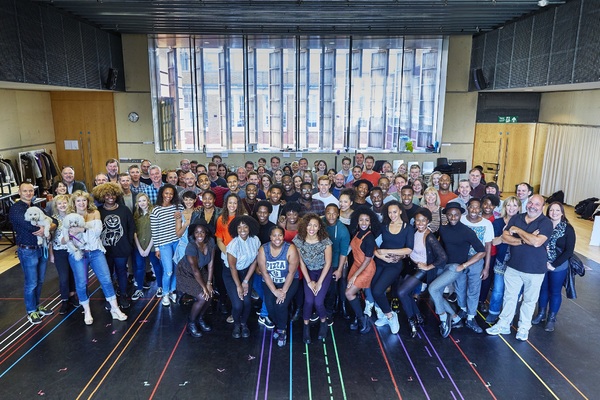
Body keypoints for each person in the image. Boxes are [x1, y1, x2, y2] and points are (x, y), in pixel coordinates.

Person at [486, 195, 552, 341]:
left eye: (537, 204)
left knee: (529, 301)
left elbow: (536, 242)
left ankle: (523, 328)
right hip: (513, 267)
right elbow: (505, 237)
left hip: (535, 270)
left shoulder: (546, 223)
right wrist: (524, 240)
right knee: (509, 297)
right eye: (530, 203)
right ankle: (503, 324)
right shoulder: (517, 218)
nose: (532, 206)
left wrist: (517, 230)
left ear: (542, 207)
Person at [66, 190, 128, 325]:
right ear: (74, 203)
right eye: (78, 201)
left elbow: (97, 232)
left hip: (95, 251)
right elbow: (65, 237)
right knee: (81, 284)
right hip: (79, 253)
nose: (82, 203)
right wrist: (70, 236)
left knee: (106, 280)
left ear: (88, 201)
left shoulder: (95, 213)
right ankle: (87, 310)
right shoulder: (69, 216)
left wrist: (81, 229)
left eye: (84, 200)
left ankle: (115, 309)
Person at [427, 202, 485, 338]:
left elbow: (481, 251)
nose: (453, 217)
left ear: (460, 215)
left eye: (456, 214)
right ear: (446, 215)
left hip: (455, 268)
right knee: (437, 294)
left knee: (432, 289)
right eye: (450, 214)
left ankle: (443, 319)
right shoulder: (443, 229)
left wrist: (464, 265)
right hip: (443, 266)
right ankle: (455, 318)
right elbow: (438, 247)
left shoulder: (467, 231)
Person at [9, 183, 55, 324]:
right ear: (19, 192)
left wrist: (49, 227)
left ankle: (36, 306)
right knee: (31, 282)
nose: (28, 193)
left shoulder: (35, 206)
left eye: (30, 190)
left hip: (41, 248)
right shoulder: (16, 209)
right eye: (25, 191)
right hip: (28, 250)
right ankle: (31, 311)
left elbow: (54, 222)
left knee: (40, 280)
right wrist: (45, 228)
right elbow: (28, 226)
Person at [397, 208, 447, 337]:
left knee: (402, 292)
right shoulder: (414, 232)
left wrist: (428, 266)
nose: (420, 223)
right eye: (417, 220)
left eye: (423, 221)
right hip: (411, 266)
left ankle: (412, 320)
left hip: (421, 270)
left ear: (428, 221)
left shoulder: (429, 237)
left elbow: (442, 257)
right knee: (405, 293)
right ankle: (419, 316)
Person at [531, 202, 576, 332]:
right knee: (543, 289)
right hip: (542, 263)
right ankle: (541, 314)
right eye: (551, 210)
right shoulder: (544, 225)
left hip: (558, 265)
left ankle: (551, 318)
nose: (554, 213)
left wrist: (553, 265)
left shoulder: (568, 228)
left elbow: (569, 251)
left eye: (557, 210)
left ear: (562, 212)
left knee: (555, 291)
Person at [371, 201, 413, 334]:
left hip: (394, 264)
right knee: (374, 289)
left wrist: (389, 252)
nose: (392, 215)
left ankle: (391, 316)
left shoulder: (407, 228)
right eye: (389, 212)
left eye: (394, 212)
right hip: (381, 261)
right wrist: (380, 254)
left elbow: (409, 249)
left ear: (400, 211)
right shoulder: (384, 225)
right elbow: (375, 244)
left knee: (378, 291)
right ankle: (384, 314)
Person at [93, 182, 135, 309]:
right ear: (102, 196)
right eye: (107, 195)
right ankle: (110, 297)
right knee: (108, 274)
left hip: (122, 248)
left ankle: (123, 295)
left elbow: (131, 227)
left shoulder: (124, 210)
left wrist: (129, 244)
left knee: (122, 272)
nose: (110, 197)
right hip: (105, 250)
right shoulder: (98, 212)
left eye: (113, 195)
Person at [257, 226, 300, 347]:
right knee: (270, 306)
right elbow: (264, 273)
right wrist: (275, 290)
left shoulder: (290, 248)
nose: (277, 238)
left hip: (289, 281)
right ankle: (279, 324)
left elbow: (292, 272)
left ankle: (282, 330)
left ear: (283, 236)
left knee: (280, 305)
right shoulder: (263, 249)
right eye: (274, 235)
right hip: (271, 282)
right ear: (270, 237)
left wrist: (283, 291)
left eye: (280, 235)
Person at [293, 213, 333, 344]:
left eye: (315, 225)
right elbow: (301, 263)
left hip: (323, 272)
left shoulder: (325, 240)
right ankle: (306, 326)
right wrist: (309, 282)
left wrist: (319, 282)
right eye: (309, 225)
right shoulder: (299, 239)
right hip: (309, 272)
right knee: (309, 301)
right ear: (305, 225)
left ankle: (323, 322)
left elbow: (328, 263)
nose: (312, 228)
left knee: (318, 302)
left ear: (319, 227)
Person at [456, 198, 493, 333]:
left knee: (474, 289)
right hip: (461, 258)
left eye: (477, 208)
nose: (474, 210)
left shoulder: (487, 224)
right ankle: (463, 310)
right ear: (467, 207)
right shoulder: (461, 220)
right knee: (459, 286)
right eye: (471, 207)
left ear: (481, 209)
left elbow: (488, 247)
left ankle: (471, 317)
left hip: (477, 260)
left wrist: (486, 267)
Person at [224, 216, 261, 339]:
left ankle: (244, 324)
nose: (242, 230)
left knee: (247, 302)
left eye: (245, 226)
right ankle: (236, 324)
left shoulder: (255, 240)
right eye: (239, 227)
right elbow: (232, 267)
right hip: (231, 274)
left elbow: (255, 261)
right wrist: (239, 285)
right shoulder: (233, 245)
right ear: (236, 229)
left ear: (250, 227)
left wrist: (245, 281)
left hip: (246, 272)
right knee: (238, 304)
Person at [485, 196, 521, 323]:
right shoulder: (497, 222)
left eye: (515, 205)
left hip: (517, 262)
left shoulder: (522, 223)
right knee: (498, 290)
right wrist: (504, 235)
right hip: (501, 260)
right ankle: (493, 312)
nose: (511, 208)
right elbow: (493, 242)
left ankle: (508, 315)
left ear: (519, 208)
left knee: (512, 292)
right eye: (509, 205)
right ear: (505, 207)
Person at [345, 207, 380, 334]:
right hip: (356, 264)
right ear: (357, 221)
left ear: (370, 223)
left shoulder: (369, 238)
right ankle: (358, 315)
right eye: (361, 220)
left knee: (349, 293)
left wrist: (355, 275)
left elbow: (367, 260)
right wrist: (342, 259)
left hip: (365, 268)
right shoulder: (357, 232)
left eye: (367, 220)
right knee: (351, 293)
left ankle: (362, 318)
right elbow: (351, 246)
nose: (364, 223)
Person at [177, 223, 215, 337]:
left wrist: (209, 283)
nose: (200, 235)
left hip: (200, 270)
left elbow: (211, 264)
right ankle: (191, 323)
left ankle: (200, 318)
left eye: (202, 232)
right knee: (202, 297)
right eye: (197, 232)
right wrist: (204, 288)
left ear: (206, 233)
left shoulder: (211, 242)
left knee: (210, 294)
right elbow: (194, 270)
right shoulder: (191, 246)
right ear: (193, 234)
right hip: (185, 273)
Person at [150, 184, 183, 306]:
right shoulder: (156, 210)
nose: (168, 196)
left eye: (171, 193)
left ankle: (173, 290)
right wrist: (157, 248)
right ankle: (165, 293)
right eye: (166, 193)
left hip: (177, 242)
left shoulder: (178, 207)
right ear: (162, 194)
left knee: (176, 268)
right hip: (164, 244)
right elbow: (154, 231)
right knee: (168, 270)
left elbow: (184, 221)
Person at [49, 194, 78, 315]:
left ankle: (72, 296)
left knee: (73, 275)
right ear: (56, 206)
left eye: (64, 203)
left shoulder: (73, 217)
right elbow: (50, 238)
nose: (62, 205)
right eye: (59, 203)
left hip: (72, 249)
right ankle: (64, 300)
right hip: (59, 250)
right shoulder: (53, 219)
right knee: (64, 276)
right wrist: (51, 254)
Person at [132, 193, 163, 301]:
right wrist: (140, 248)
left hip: (152, 246)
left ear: (148, 201)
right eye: (139, 201)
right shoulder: (136, 215)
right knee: (140, 267)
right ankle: (139, 288)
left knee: (156, 265)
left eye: (144, 200)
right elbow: (134, 233)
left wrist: (149, 248)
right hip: (139, 246)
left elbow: (156, 231)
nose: (142, 203)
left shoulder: (154, 213)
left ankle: (160, 287)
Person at [323, 204, 351, 322]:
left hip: (334, 262)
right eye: (328, 213)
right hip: (320, 261)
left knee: (331, 288)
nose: (331, 216)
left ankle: (329, 311)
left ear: (338, 214)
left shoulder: (343, 231)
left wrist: (339, 269)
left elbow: (343, 252)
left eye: (334, 213)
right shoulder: (320, 223)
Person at [173, 191, 200, 264]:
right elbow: (178, 234)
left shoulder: (199, 213)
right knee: (185, 270)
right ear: (183, 200)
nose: (188, 202)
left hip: (197, 246)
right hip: (184, 247)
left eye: (191, 199)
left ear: (195, 200)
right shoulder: (179, 215)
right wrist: (185, 225)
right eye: (186, 199)